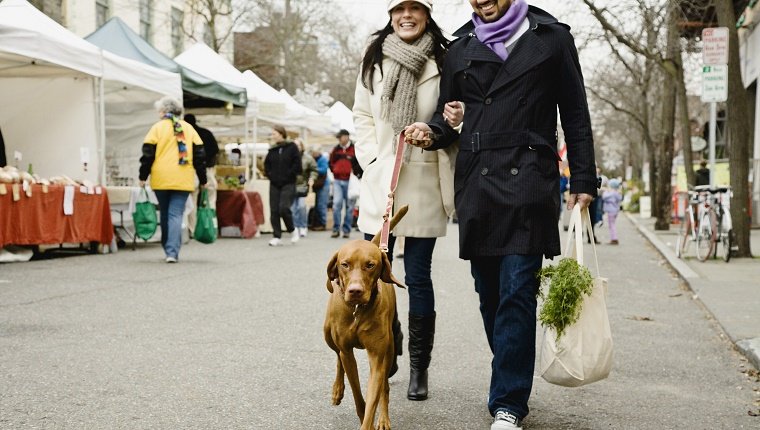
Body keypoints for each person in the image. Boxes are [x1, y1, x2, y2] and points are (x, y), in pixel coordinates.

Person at [403, 1, 597, 428]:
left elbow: (576, 113)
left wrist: (583, 179)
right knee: (489, 291)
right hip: (477, 180)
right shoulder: (460, 46)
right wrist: (431, 131)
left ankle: (508, 402)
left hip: (529, 177)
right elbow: (446, 115)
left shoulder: (551, 38)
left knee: (516, 291)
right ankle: (512, 368)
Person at [353, 0, 463, 402]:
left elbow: (453, 116)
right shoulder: (373, 57)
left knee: (417, 275)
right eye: (400, 8)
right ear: (390, 14)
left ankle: (419, 367)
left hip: (422, 177)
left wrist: (433, 132)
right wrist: (371, 160)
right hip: (382, 177)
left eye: (415, 8)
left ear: (426, 13)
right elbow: (362, 115)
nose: (407, 16)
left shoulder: (445, 57)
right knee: (370, 273)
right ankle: (388, 346)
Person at [139, 96, 207, 263]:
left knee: (165, 212)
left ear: (163, 111)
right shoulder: (189, 129)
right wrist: (203, 178)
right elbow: (200, 156)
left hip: (161, 177)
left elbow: (148, 155)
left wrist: (142, 176)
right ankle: (172, 251)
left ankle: (167, 247)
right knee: (175, 214)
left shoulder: (157, 128)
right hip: (183, 178)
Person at [263, 125, 302, 246]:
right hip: (274, 183)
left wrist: (289, 175)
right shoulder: (272, 150)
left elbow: (297, 164)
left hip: (288, 183)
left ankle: (292, 230)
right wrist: (270, 175)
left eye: (274, 133)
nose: (273, 136)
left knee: (284, 208)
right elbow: (267, 165)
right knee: (274, 210)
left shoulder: (292, 147)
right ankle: (276, 236)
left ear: (281, 134)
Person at [184, 114, 219, 237]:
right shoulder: (205, 133)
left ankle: (192, 228)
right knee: (209, 198)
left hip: (190, 170)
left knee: (191, 199)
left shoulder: (184, 135)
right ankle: (210, 224)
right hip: (207, 170)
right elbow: (215, 150)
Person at [329, 129, 361, 238]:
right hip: (338, 180)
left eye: (340, 137)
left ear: (347, 137)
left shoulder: (354, 149)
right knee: (336, 204)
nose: (339, 139)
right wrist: (335, 170)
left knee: (349, 206)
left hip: (350, 181)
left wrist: (355, 173)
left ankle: (346, 230)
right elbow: (331, 162)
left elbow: (359, 162)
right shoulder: (335, 149)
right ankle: (336, 229)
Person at [291, 139, 317, 237]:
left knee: (301, 207)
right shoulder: (290, 157)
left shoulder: (308, 158)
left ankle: (303, 226)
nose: (297, 147)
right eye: (295, 145)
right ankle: (296, 227)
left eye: (298, 145)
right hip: (291, 186)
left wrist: (312, 178)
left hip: (303, 186)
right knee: (293, 209)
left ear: (302, 146)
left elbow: (314, 169)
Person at [309, 146, 330, 231]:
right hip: (317, 185)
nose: (314, 154)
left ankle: (323, 223)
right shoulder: (313, 159)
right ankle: (316, 223)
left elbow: (324, 170)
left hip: (323, 185)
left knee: (321, 204)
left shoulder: (322, 159)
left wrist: (314, 169)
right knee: (316, 205)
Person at [602, 178, 623, 245]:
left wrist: (608, 191)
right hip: (615, 210)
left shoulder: (610, 193)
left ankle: (614, 238)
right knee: (612, 224)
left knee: (611, 225)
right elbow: (620, 199)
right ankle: (613, 238)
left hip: (611, 211)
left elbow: (604, 197)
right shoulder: (617, 193)